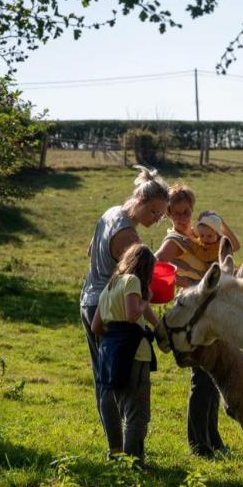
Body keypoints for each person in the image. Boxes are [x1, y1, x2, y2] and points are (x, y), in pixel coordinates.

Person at [79, 165, 168, 458]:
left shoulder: (111, 213)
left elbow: (91, 250)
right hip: (112, 309)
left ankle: (115, 446)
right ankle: (125, 450)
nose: (156, 219)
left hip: (90, 300)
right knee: (120, 379)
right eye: (153, 211)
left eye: (161, 215)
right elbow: (138, 282)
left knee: (103, 375)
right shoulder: (129, 235)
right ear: (140, 201)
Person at [155, 182, 240, 458]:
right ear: (168, 213)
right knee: (201, 380)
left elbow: (232, 247)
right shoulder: (173, 241)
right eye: (177, 212)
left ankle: (213, 439)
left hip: (208, 315)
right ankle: (199, 444)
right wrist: (185, 282)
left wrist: (219, 222)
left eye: (187, 211)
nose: (183, 217)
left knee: (211, 378)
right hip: (191, 317)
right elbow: (154, 264)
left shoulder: (196, 235)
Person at [91, 244, 158, 465]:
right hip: (135, 353)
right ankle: (134, 460)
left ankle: (116, 452)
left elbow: (96, 326)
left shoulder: (110, 286)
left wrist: (115, 338)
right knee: (136, 410)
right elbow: (132, 314)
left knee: (117, 403)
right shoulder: (133, 281)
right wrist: (147, 299)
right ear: (146, 268)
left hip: (110, 353)